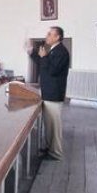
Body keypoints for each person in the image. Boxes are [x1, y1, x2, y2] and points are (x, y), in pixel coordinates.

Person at [28, 26, 70, 161]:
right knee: (49, 124)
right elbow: (43, 64)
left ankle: (56, 153)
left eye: (50, 34)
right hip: (48, 92)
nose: (47, 36)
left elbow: (52, 70)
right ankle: (49, 147)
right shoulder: (53, 50)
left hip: (54, 93)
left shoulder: (61, 52)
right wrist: (31, 52)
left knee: (54, 126)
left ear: (57, 37)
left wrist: (44, 57)